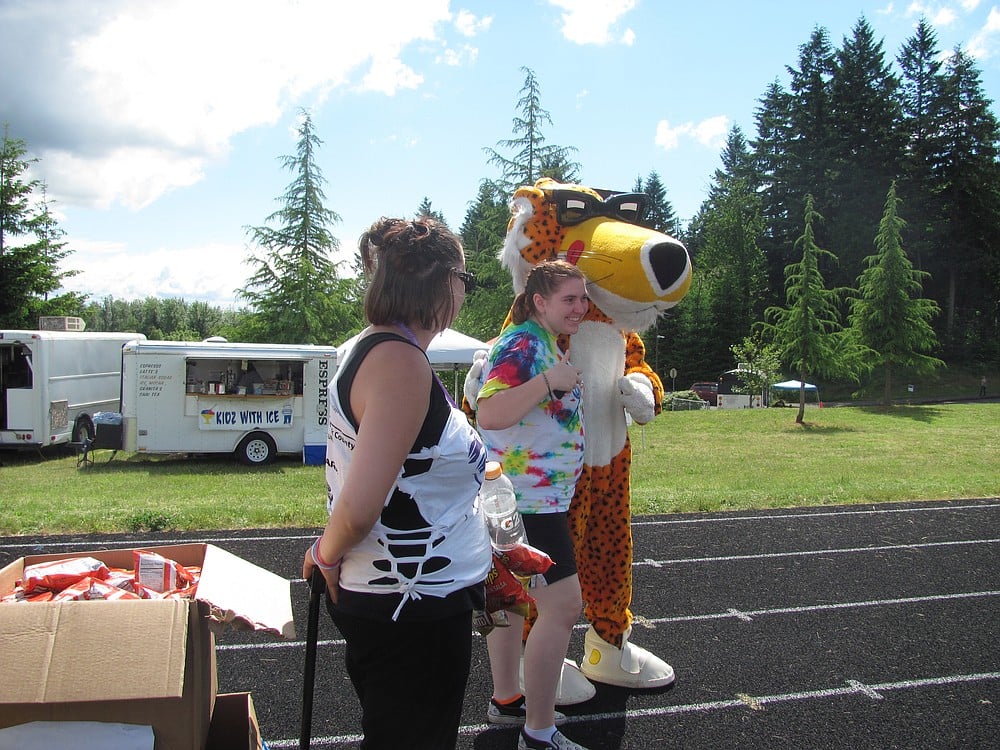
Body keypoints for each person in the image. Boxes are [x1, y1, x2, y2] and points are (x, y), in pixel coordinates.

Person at [302, 216, 492, 750]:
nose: (464, 291)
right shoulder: (399, 364)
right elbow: (361, 506)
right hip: (408, 603)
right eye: (465, 278)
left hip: (405, 595)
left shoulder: (377, 349)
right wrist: (326, 553)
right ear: (440, 281)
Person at [476, 260, 591, 750]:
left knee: (510, 602)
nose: (580, 307)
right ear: (540, 301)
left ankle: (507, 701)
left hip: (520, 499)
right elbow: (490, 411)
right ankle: (540, 734)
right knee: (563, 608)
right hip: (529, 504)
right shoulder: (523, 344)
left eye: (583, 298)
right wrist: (551, 382)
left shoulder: (538, 342)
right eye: (570, 299)